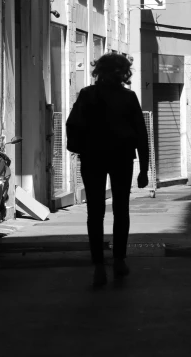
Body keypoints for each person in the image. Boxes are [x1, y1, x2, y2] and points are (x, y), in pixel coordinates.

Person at [66, 53, 149, 287]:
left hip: (92, 158)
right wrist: (144, 169)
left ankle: (99, 266)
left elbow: (72, 125)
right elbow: (141, 135)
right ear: (124, 73)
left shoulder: (87, 95)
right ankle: (120, 260)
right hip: (122, 157)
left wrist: (80, 147)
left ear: (97, 71)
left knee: (95, 212)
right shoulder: (128, 97)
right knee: (121, 209)